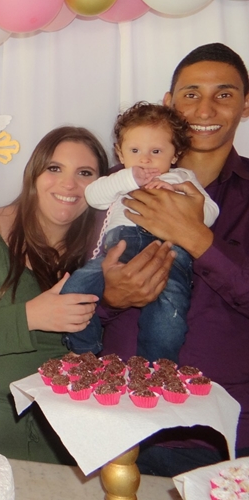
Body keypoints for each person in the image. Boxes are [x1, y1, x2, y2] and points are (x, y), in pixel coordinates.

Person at [97, 43, 249, 476]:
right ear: (169, 102)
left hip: (220, 434)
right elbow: (74, 293)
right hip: (122, 423)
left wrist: (196, 238)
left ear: (245, 105)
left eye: (224, 94)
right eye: (190, 93)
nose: (205, 108)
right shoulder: (117, 187)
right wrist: (110, 297)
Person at [0, 126, 108, 463]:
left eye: (85, 173)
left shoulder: (103, 247)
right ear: (33, 174)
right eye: (55, 168)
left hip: (70, 440)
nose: (69, 184)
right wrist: (30, 316)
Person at [63, 102, 219, 363]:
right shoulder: (119, 179)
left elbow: (211, 213)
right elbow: (93, 196)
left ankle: (156, 367)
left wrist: (178, 199)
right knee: (74, 288)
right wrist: (129, 179)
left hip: (168, 253)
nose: (145, 159)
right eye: (135, 151)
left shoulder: (182, 178)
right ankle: (83, 350)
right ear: (120, 153)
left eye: (156, 151)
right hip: (118, 249)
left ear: (175, 154)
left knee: (168, 315)